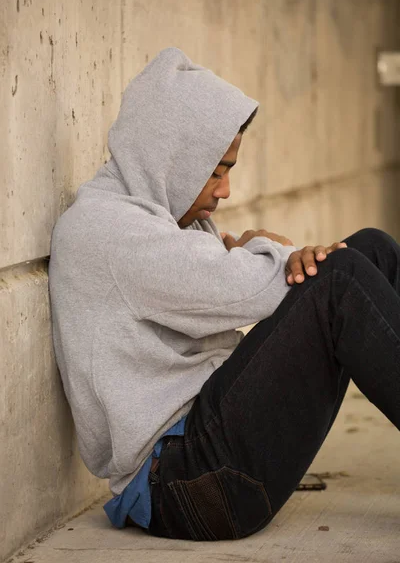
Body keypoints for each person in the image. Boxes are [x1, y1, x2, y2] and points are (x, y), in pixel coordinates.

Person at [48, 47, 400, 541]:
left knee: (373, 251)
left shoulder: (162, 220)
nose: (225, 191)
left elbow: (238, 275)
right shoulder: (106, 231)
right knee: (340, 275)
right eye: (216, 171)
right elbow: (244, 285)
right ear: (171, 156)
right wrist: (270, 249)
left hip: (209, 459)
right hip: (187, 484)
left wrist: (263, 253)